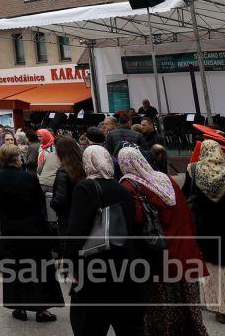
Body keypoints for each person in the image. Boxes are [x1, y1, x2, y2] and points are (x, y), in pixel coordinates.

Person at [118, 146, 208, 334]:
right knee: (187, 302)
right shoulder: (165, 179)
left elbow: (136, 220)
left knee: (163, 306)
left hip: (161, 254)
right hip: (185, 249)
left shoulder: (131, 185)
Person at [62, 144, 142, 336]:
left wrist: (70, 263)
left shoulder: (86, 187)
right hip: (124, 264)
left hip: (94, 266)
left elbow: (76, 230)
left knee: (89, 324)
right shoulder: (122, 187)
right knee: (125, 323)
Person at [0, 144, 64, 322]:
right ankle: (42, 309)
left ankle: (19, 306)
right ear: (17, 158)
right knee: (38, 267)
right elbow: (38, 201)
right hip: (32, 226)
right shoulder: (28, 177)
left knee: (15, 267)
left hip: (10, 227)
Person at [185, 139, 225, 326]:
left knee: (213, 268)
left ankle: (220, 311)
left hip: (206, 228)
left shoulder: (193, 170)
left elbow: (186, 196)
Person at [48, 136, 84, 242]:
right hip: (82, 214)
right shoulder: (83, 166)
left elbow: (60, 199)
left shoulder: (63, 171)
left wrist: (52, 203)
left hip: (67, 217)